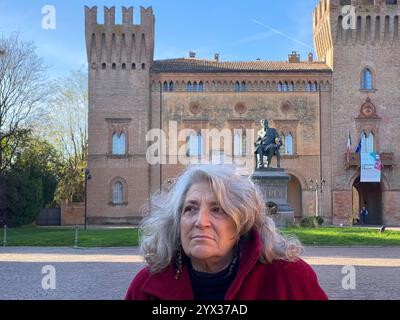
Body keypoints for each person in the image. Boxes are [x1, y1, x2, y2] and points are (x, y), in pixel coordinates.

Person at [125, 165, 328, 300]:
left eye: (218, 209)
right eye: (190, 208)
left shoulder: (289, 278)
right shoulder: (146, 287)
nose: (200, 222)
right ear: (177, 222)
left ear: (241, 223)